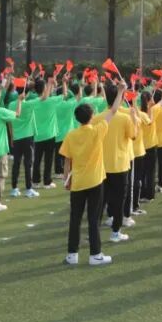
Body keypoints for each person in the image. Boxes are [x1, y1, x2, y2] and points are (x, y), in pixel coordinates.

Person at [60, 92, 123, 267]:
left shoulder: (71, 135)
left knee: (75, 219)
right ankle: (95, 254)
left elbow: (67, 160)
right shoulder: (97, 130)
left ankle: (72, 255)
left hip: (78, 182)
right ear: (92, 116)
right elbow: (114, 110)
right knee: (93, 219)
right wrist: (120, 91)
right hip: (95, 181)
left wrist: (66, 179)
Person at [99, 83, 136, 243]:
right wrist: (134, 118)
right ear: (120, 99)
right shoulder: (125, 118)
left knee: (102, 200)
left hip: (102, 165)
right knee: (119, 199)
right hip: (120, 165)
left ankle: (95, 231)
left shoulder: (99, 117)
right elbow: (134, 136)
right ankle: (115, 232)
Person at [30, 77, 63, 190]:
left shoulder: (33, 102)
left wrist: (50, 85)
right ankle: (47, 182)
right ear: (45, 88)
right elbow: (64, 95)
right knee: (48, 160)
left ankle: (35, 181)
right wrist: (59, 83)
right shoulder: (52, 101)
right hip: (49, 135)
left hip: (37, 135)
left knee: (37, 160)